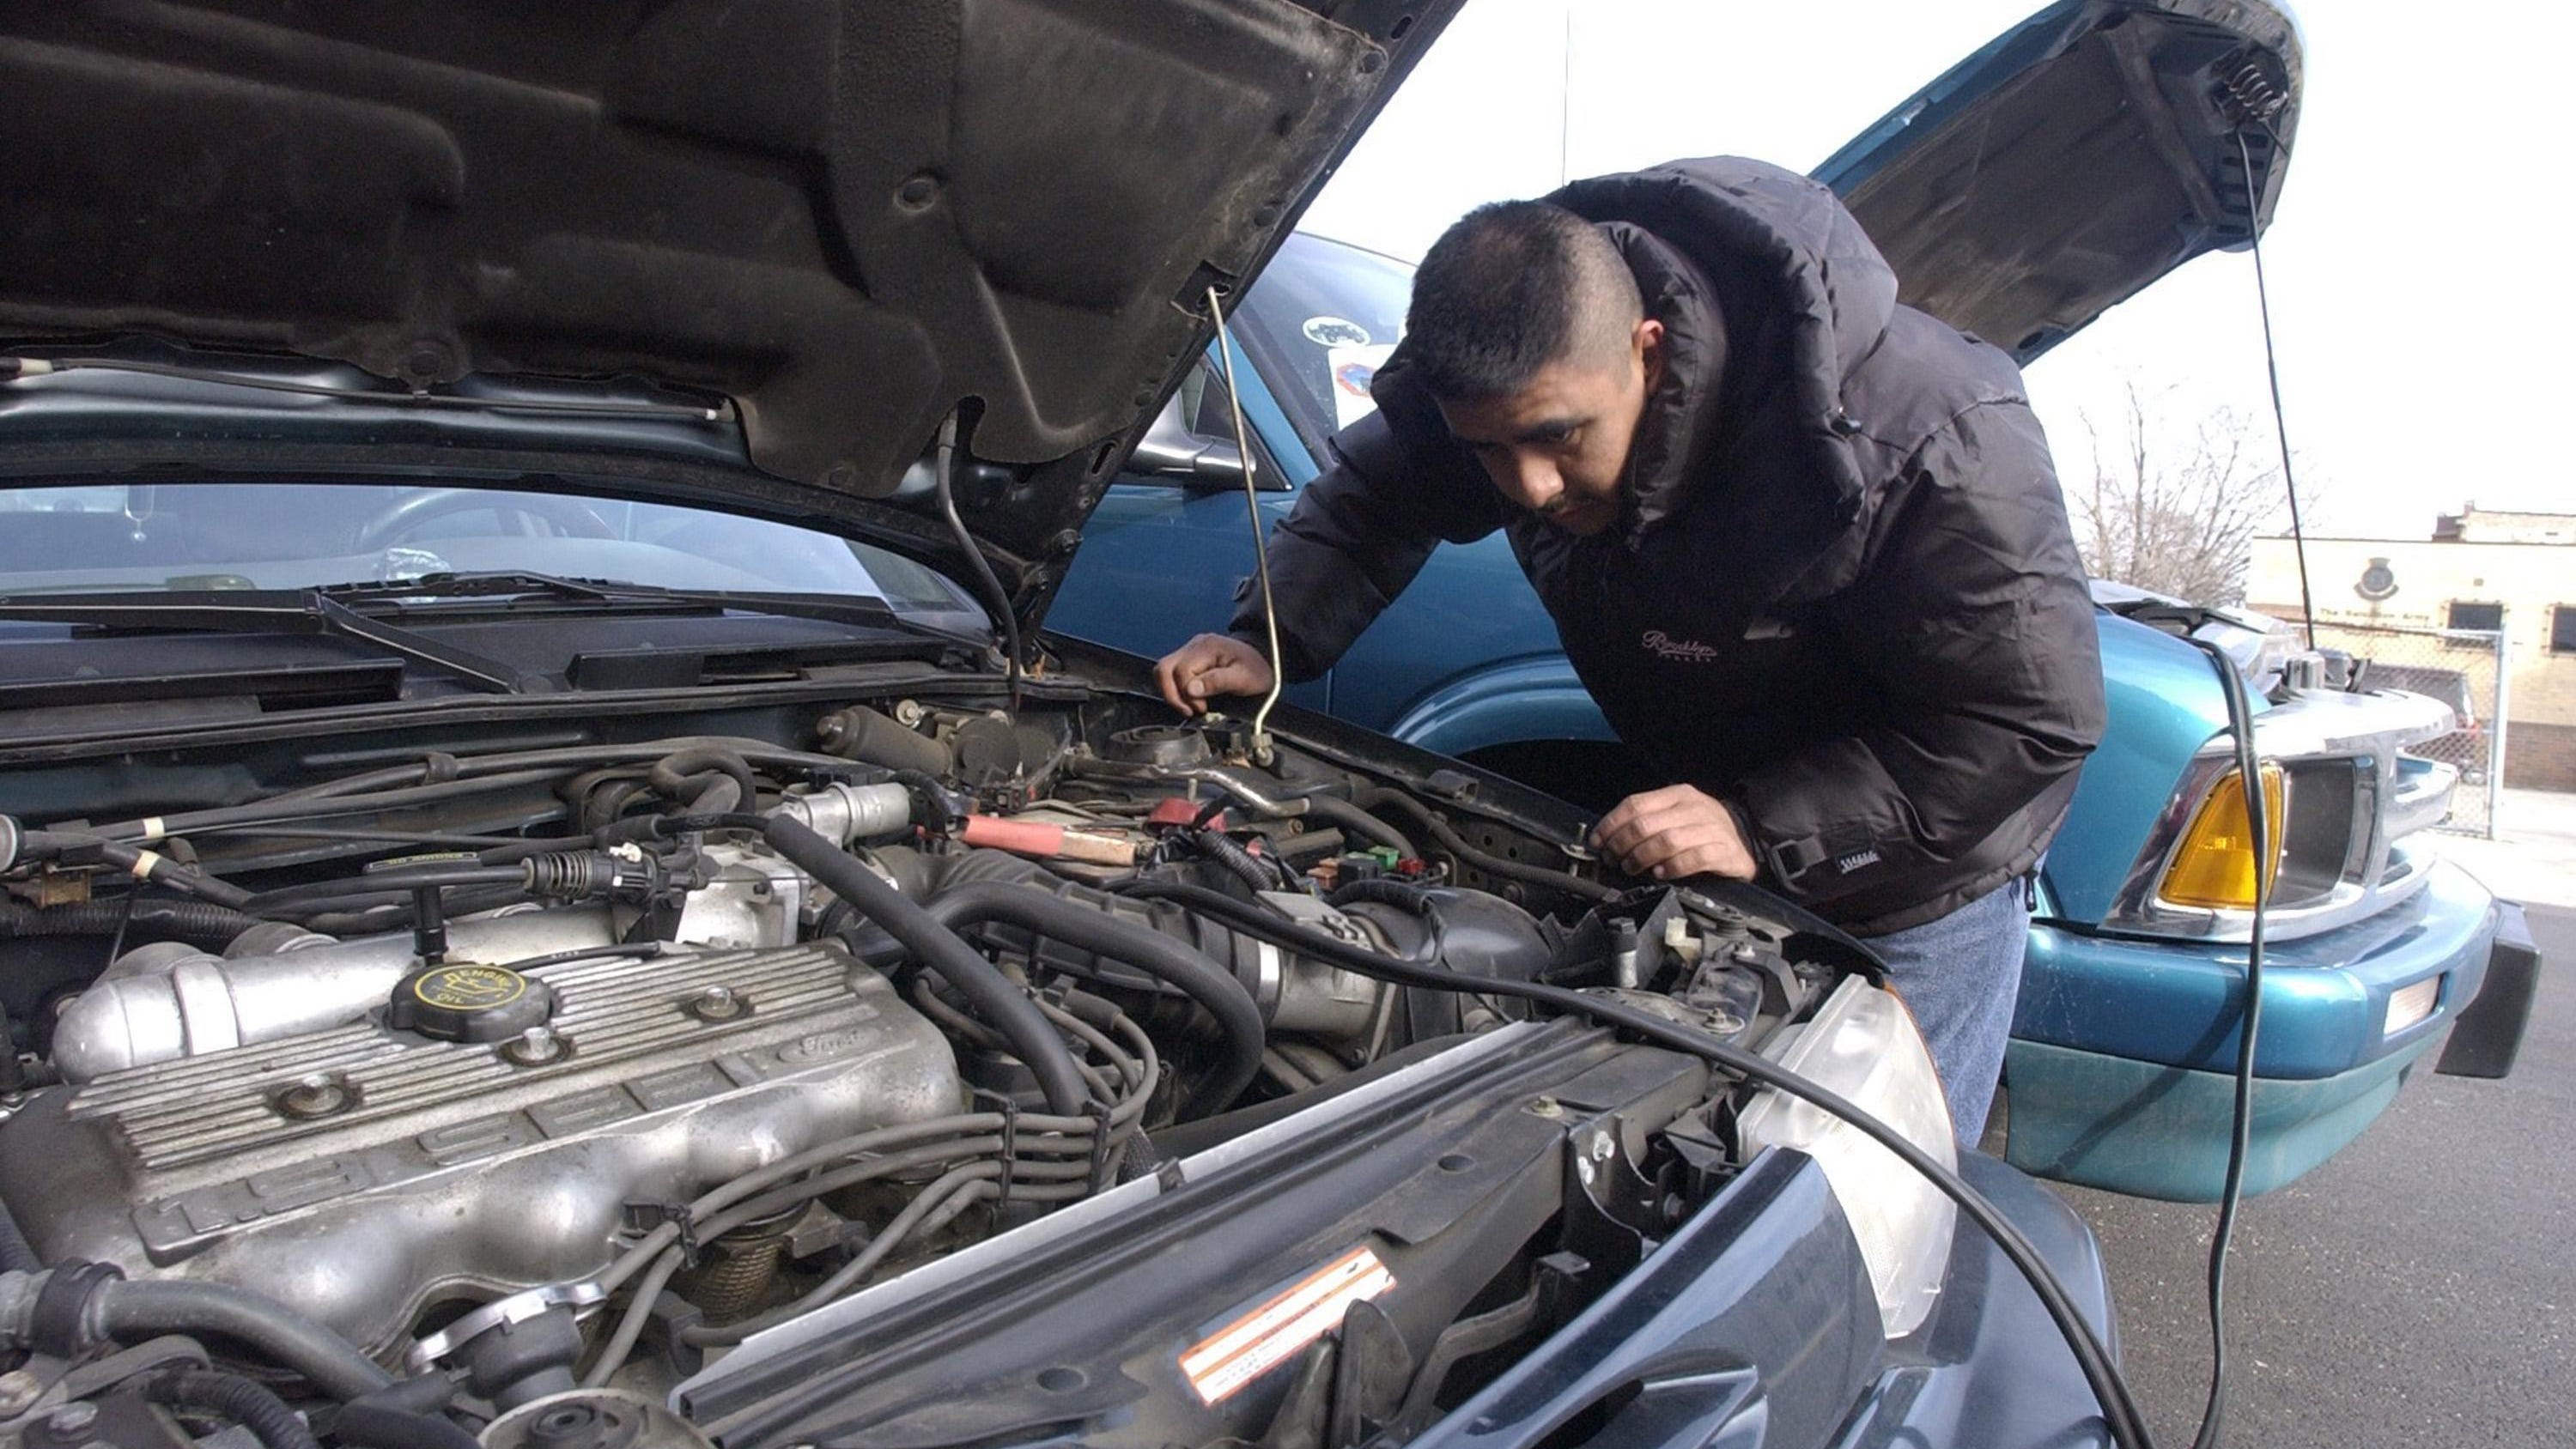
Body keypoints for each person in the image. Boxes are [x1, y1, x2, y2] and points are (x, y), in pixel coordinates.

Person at [1153, 158, 2105, 1143]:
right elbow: (1375, 494)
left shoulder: (1931, 440)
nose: (1526, 486)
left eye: (1559, 437)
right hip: (1712, 834)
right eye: (1488, 450)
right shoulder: (1516, 389)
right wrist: (1275, 633)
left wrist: (1765, 827)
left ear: (1649, 350)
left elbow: (2028, 719)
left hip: (1908, 883)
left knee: (1863, 1199)